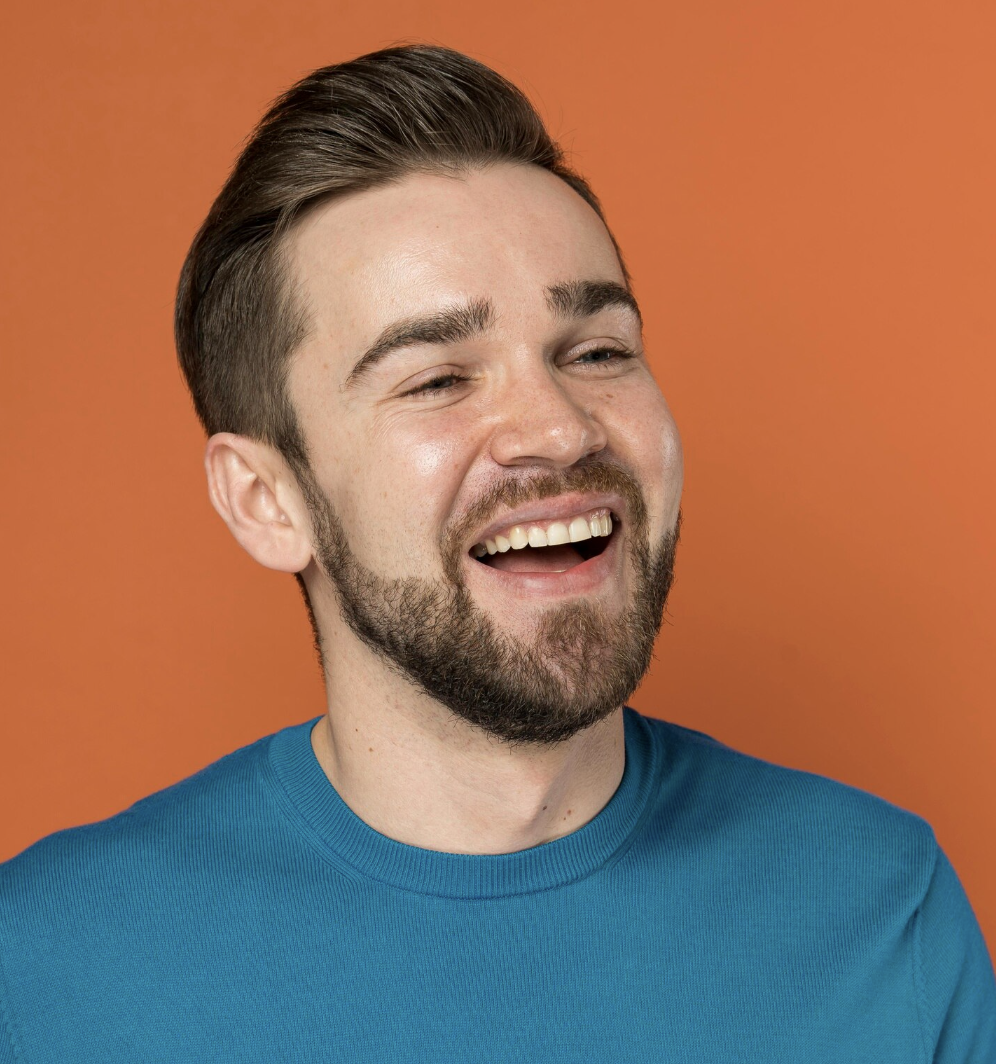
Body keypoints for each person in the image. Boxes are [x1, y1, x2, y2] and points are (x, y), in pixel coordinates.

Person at [0, 43, 993, 1063]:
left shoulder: (883, 909)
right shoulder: (44, 969)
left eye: (599, 351)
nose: (561, 430)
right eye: (437, 378)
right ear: (267, 499)